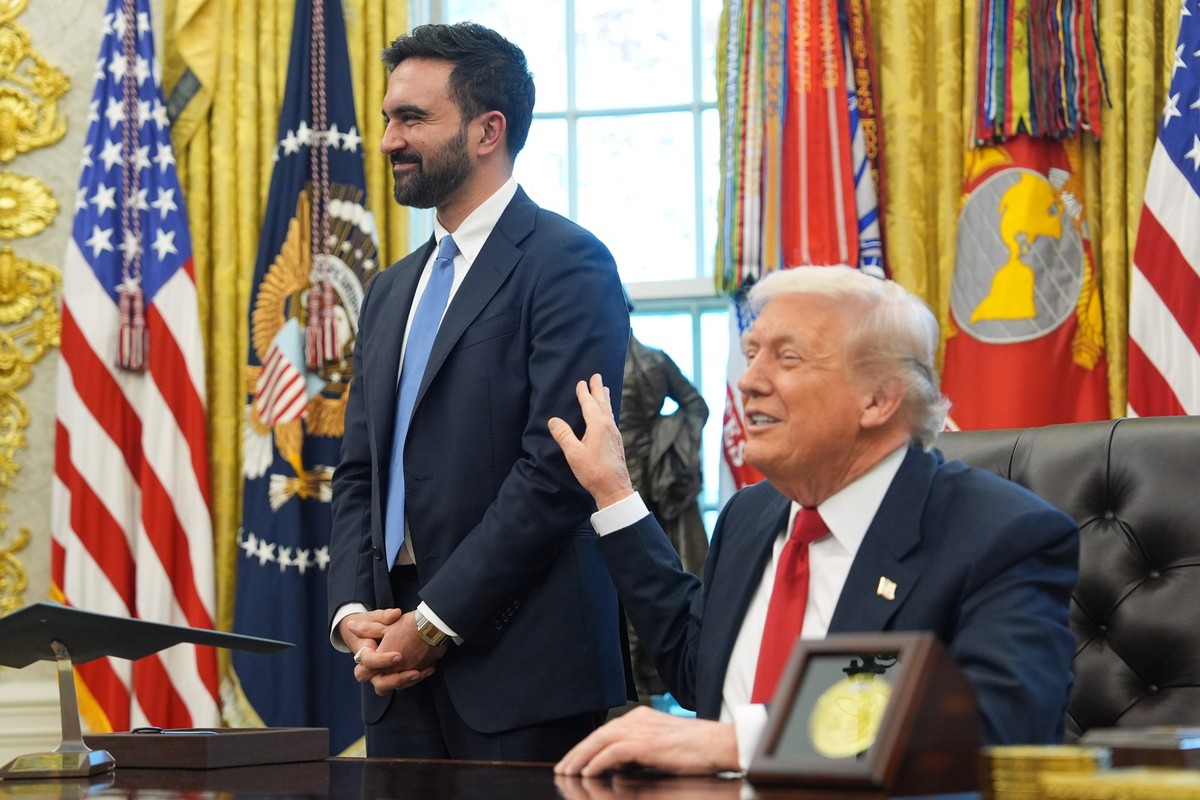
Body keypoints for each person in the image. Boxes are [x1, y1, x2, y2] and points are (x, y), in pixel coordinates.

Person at [547, 265, 1078, 776]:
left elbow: (996, 730)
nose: (749, 381)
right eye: (751, 354)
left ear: (878, 398)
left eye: (788, 358)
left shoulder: (1002, 535)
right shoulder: (750, 516)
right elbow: (700, 674)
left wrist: (740, 744)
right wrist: (613, 492)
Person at [327, 22, 631, 760]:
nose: (390, 139)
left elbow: (554, 471)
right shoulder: (391, 289)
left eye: (412, 119)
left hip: (525, 674)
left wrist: (433, 622)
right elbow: (359, 473)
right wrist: (353, 613)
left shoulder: (568, 264)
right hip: (393, 676)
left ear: (488, 129)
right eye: (388, 118)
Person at [619, 332, 709, 701]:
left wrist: (665, 442)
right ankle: (631, 679)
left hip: (652, 482)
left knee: (647, 574)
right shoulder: (590, 357)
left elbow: (695, 406)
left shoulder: (654, 360)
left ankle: (648, 679)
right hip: (602, 477)